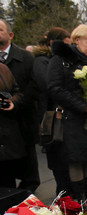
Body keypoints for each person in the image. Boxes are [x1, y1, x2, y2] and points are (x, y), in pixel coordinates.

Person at [48, 24, 87, 201]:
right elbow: (55, 89)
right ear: (76, 40)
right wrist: (83, 106)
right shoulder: (60, 60)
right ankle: (79, 201)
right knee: (76, 161)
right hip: (70, 121)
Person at [0, 19, 39, 193]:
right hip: (3, 128)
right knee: (4, 177)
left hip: (23, 120)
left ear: (10, 35)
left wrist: (15, 102)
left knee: (28, 174)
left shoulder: (25, 57)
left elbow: (33, 88)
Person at [31, 27, 72, 196]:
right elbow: (48, 87)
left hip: (64, 119)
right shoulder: (42, 62)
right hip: (53, 120)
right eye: (65, 44)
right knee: (60, 170)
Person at [0, 62, 25, 188]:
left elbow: (17, 93)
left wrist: (12, 102)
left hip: (6, 137)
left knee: (8, 182)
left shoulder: (3, 69)